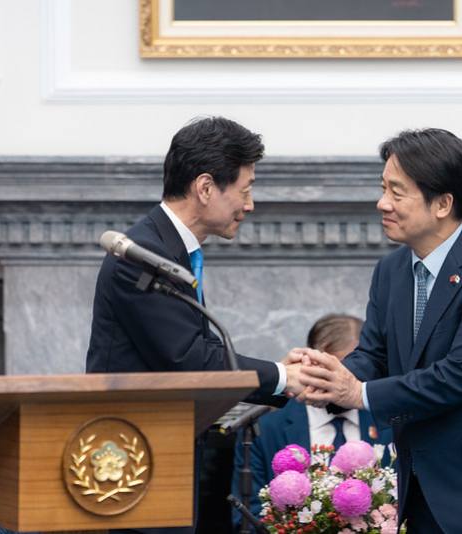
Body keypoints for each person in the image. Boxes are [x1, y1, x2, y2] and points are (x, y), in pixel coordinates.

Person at [295, 129, 462, 533]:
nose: (382, 203)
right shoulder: (390, 271)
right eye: (383, 188)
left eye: (397, 192)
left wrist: (357, 392)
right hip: (424, 492)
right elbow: (374, 355)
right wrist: (327, 373)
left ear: (442, 203)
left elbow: (456, 378)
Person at [86, 117, 302, 533]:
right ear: (205, 188)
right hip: (130, 461)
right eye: (245, 190)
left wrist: (279, 374)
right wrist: (282, 376)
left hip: (161, 453)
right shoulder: (143, 256)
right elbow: (191, 359)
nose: (250, 204)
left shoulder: (168, 249)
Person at [230, 314, 393, 525]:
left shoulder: (389, 422)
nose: (343, 383)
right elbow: (247, 517)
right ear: (311, 363)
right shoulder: (266, 429)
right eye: (335, 372)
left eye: (357, 373)